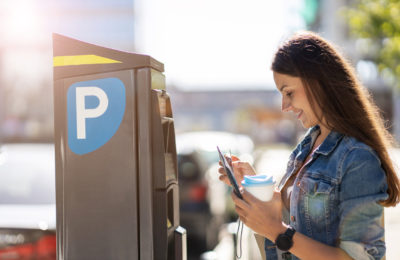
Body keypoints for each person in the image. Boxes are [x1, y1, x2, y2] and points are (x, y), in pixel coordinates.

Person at [218, 31, 400, 260]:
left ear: (318, 83)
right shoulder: (307, 146)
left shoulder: (358, 158)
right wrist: (256, 187)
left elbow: (361, 258)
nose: (284, 106)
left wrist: (277, 231)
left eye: (289, 92)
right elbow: (299, 223)